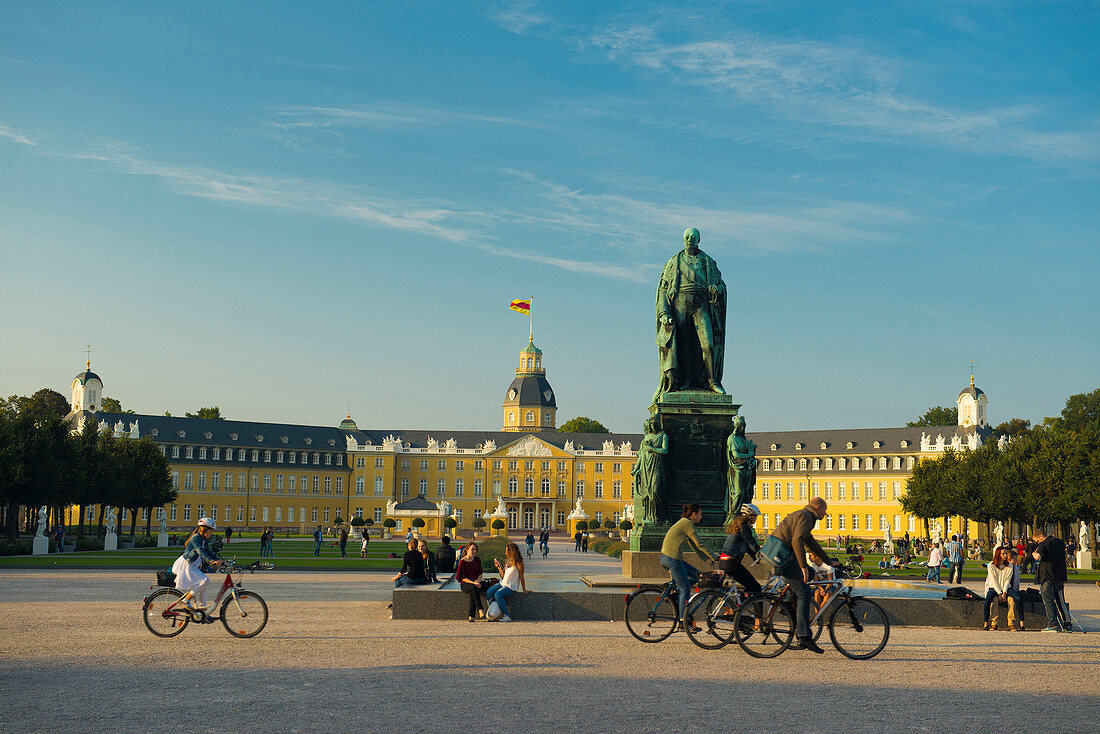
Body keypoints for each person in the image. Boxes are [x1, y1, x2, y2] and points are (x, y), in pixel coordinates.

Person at [650, 227, 727, 409]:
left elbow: (721, 284)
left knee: (707, 344)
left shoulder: (707, 262)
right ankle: (686, 381)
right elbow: (662, 289)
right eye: (687, 237)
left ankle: (711, 381)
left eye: (693, 237)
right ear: (683, 239)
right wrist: (664, 313)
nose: (690, 240)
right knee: (683, 345)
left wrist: (718, 290)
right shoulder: (673, 262)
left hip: (701, 304)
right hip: (679, 304)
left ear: (698, 240)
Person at [771, 498, 837, 654]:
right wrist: (802, 567)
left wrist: (829, 562)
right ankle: (804, 636)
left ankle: (787, 602)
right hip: (782, 557)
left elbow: (810, 542)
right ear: (817, 507)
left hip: (783, 555)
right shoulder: (806, 516)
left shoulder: (807, 516)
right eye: (824, 509)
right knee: (804, 593)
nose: (825, 513)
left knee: (812, 573)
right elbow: (798, 540)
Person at [660, 503, 717, 629]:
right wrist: (714, 556)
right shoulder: (687, 523)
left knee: (698, 576)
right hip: (672, 559)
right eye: (700, 514)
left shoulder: (685, 523)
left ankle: (676, 592)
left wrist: (708, 558)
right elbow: (699, 543)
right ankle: (682, 622)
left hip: (671, 558)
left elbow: (694, 545)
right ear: (694, 514)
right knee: (685, 588)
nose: (701, 517)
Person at [170, 517, 222, 611]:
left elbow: (208, 551)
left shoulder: (203, 539)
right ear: (204, 529)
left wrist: (219, 560)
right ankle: (186, 600)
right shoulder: (196, 538)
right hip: (186, 565)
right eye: (211, 531)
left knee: (202, 585)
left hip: (192, 565)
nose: (212, 533)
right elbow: (200, 550)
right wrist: (211, 561)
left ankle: (203, 610)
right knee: (205, 580)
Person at [717, 504, 762, 595]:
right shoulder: (744, 527)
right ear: (751, 517)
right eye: (755, 517)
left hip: (724, 562)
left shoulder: (738, 526)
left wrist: (758, 559)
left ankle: (742, 607)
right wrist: (761, 553)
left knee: (750, 587)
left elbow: (748, 548)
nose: (756, 519)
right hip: (731, 563)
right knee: (756, 587)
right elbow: (751, 543)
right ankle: (747, 608)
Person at [1032, 528, 1068, 632]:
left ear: (1041, 537)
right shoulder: (1060, 542)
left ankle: (1052, 624)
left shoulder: (1044, 544)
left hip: (1047, 575)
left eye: (1037, 541)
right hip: (1059, 575)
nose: (1038, 543)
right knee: (1061, 601)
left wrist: (1034, 553)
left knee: (1048, 600)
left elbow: (1038, 556)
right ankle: (1067, 623)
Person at [486, 542, 529, 622]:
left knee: (498, 594)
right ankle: (494, 612)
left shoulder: (519, 562)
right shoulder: (508, 560)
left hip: (511, 586)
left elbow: (521, 576)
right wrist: (499, 567)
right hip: (503, 583)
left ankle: (507, 615)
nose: (505, 552)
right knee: (489, 592)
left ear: (512, 551)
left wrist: (524, 589)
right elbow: (503, 576)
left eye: (506, 551)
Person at [982, 547, 1019, 630]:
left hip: (1005, 588)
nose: (1005, 555)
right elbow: (993, 581)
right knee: (990, 599)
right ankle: (990, 623)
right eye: (1003, 554)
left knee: (1012, 599)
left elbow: (1007, 580)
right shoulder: (991, 565)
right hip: (994, 588)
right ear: (998, 554)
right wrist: (999, 593)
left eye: (1006, 553)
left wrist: (1004, 593)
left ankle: (1011, 623)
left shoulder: (1009, 566)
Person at [457, 542, 485, 622]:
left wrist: (478, 581)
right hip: (466, 584)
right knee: (473, 588)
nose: (474, 551)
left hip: (476, 583)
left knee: (474, 590)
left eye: (475, 550)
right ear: (467, 549)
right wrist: (473, 583)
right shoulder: (463, 561)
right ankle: (480, 609)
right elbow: (463, 578)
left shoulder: (477, 560)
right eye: (472, 549)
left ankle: (471, 616)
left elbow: (480, 574)